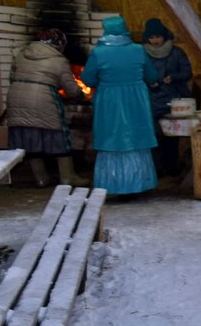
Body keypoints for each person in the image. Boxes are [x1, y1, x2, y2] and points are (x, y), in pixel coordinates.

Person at [79, 15, 159, 197]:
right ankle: (138, 184)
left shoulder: (98, 53)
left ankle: (113, 185)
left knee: (111, 138)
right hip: (136, 99)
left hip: (109, 101)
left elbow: (87, 79)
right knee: (136, 136)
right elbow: (152, 76)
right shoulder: (138, 50)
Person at [5, 27, 87, 187]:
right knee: (59, 137)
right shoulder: (59, 60)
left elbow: (12, 77)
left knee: (29, 138)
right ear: (59, 44)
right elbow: (71, 88)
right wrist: (80, 95)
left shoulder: (21, 54)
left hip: (16, 98)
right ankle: (68, 177)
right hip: (42, 99)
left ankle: (42, 179)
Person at [142, 18, 193, 177]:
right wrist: (148, 82)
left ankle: (171, 167)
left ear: (164, 36)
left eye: (158, 37)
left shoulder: (177, 53)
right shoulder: (141, 54)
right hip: (151, 99)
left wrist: (174, 77)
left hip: (174, 99)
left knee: (171, 136)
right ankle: (157, 168)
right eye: (151, 37)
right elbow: (138, 73)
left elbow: (187, 73)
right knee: (154, 135)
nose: (155, 41)